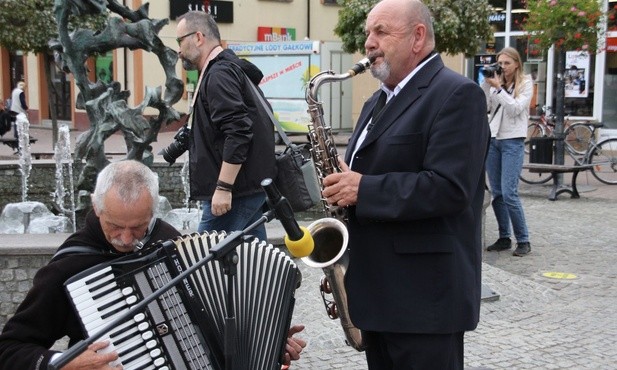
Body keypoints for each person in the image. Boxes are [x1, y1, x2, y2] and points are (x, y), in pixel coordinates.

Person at [0, 160, 305, 370]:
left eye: (138, 227)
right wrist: (59, 363)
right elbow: (10, 348)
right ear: (96, 206)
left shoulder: (168, 240)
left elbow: (205, 321)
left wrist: (267, 337)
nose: (126, 238)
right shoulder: (69, 267)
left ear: (153, 212)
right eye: (115, 226)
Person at [321, 0, 490, 368]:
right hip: (379, 296)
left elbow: (450, 188)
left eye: (381, 32)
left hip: (423, 302)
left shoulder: (457, 94)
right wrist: (342, 178)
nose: (368, 42)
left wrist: (362, 188)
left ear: (417, 37)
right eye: (369, 32)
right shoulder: (377, 101)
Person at [174, 11, 276, 242]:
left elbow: (238, 131)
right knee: (256, 263)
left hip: (235, 192)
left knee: (202, 263)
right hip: (248, 188)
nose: (178, 50)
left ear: (198, 37)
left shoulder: (219, 74)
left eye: (180, 40)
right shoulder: (229, 69)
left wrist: (223, 187)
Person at [481, 47, 533, 257]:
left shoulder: (526, 83)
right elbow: (485, 106)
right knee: (498, 193)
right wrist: (487, 84)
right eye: (499, 63)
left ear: (517, 64)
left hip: (512, 141)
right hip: (494, 140)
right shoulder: (496, 83)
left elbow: (514, 108)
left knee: (509, 192)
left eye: (506, 63)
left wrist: (500, 90)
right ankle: (504, 237)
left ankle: (523, 239)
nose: (502, 67)